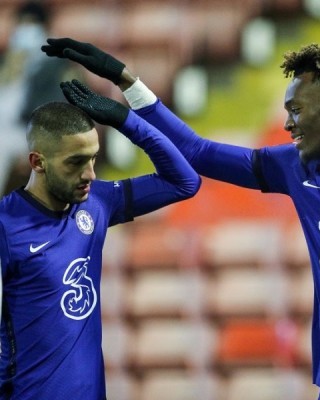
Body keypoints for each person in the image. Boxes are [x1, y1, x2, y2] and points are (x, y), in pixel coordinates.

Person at [42, 38, 320, 399]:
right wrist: (127, 83)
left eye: (297, 109)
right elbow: (198, 152)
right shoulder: (295, 167)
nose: (288, 124)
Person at [0, 81, 201, 399]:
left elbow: (184, 181)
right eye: (75, 162)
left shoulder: (97, 202)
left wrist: (126, 120)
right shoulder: (6, 226)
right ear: (37, 162)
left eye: (93, 159)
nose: (90, 174)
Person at [0, 1, 81, 195]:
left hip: (30, 130)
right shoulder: (7, 59)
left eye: (31, 24)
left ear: (44, 28)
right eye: (22, 24)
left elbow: (58, 109)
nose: (25, 30)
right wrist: (13, 68)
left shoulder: (56, 64)